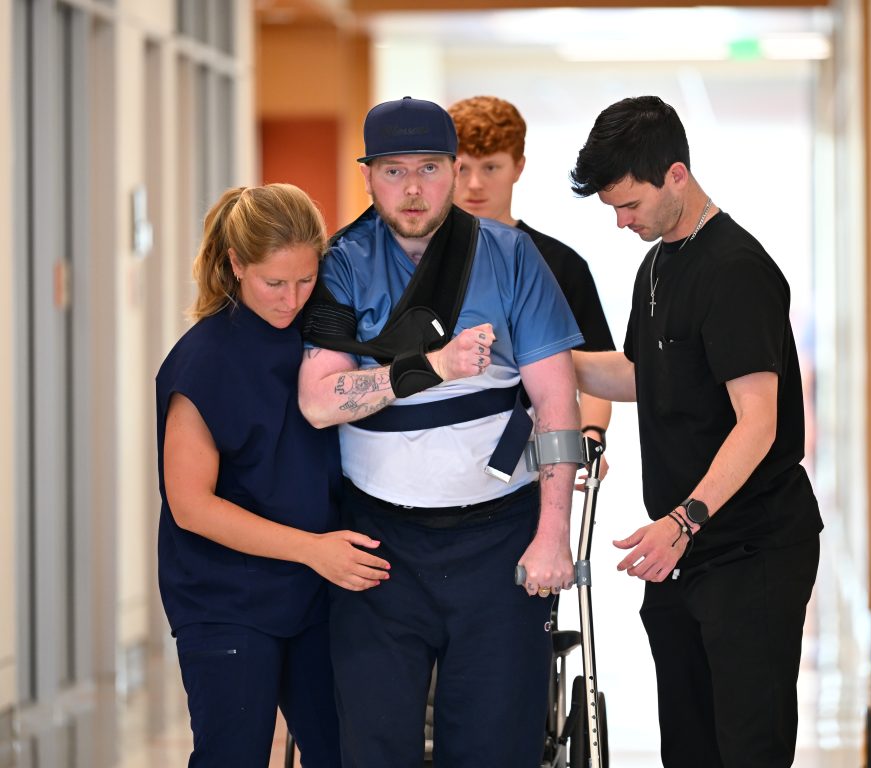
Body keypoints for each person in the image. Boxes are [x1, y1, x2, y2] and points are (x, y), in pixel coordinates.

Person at [296, 96, 583, 768]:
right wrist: (430, 368)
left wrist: (553, 534)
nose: (414, 187)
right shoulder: (341, 262)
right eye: (394, 171)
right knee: (374, 743)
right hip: (378, 544)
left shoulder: (512, 257)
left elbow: (556, 404)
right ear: (367, 176)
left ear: (455, 170)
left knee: (495, 744)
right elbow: (316, 402)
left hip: (500, 537)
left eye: (429, 167)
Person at [569, 96, 823, 768]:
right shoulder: (656, 264)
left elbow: (758, 423)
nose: (622, 223)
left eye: (629, 205)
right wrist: (548, 362)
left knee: (746, 748)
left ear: (675, 174)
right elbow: (639, 374)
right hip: (685, 556)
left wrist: (684, 519)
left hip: (752, 551)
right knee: (688, 747)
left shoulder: (735, 270)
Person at [156, 183, 389, 766]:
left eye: (306, 281)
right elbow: (191, 505)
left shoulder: (325, 338)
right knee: (233, 754)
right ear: (236, 265)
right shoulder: (203, 360)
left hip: (317, 589)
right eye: (274, 283)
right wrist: (312, 550)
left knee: (341, 752)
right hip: (226, 595)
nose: (291, 300)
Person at [448, 95, 616, 470]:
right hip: (432, 461)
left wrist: (591, 434)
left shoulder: (560, 264)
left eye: (491, 167)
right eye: (463, 168)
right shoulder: (415, 263)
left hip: (531, 458)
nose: (475, 184)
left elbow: (595, 366)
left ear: (518, 167)